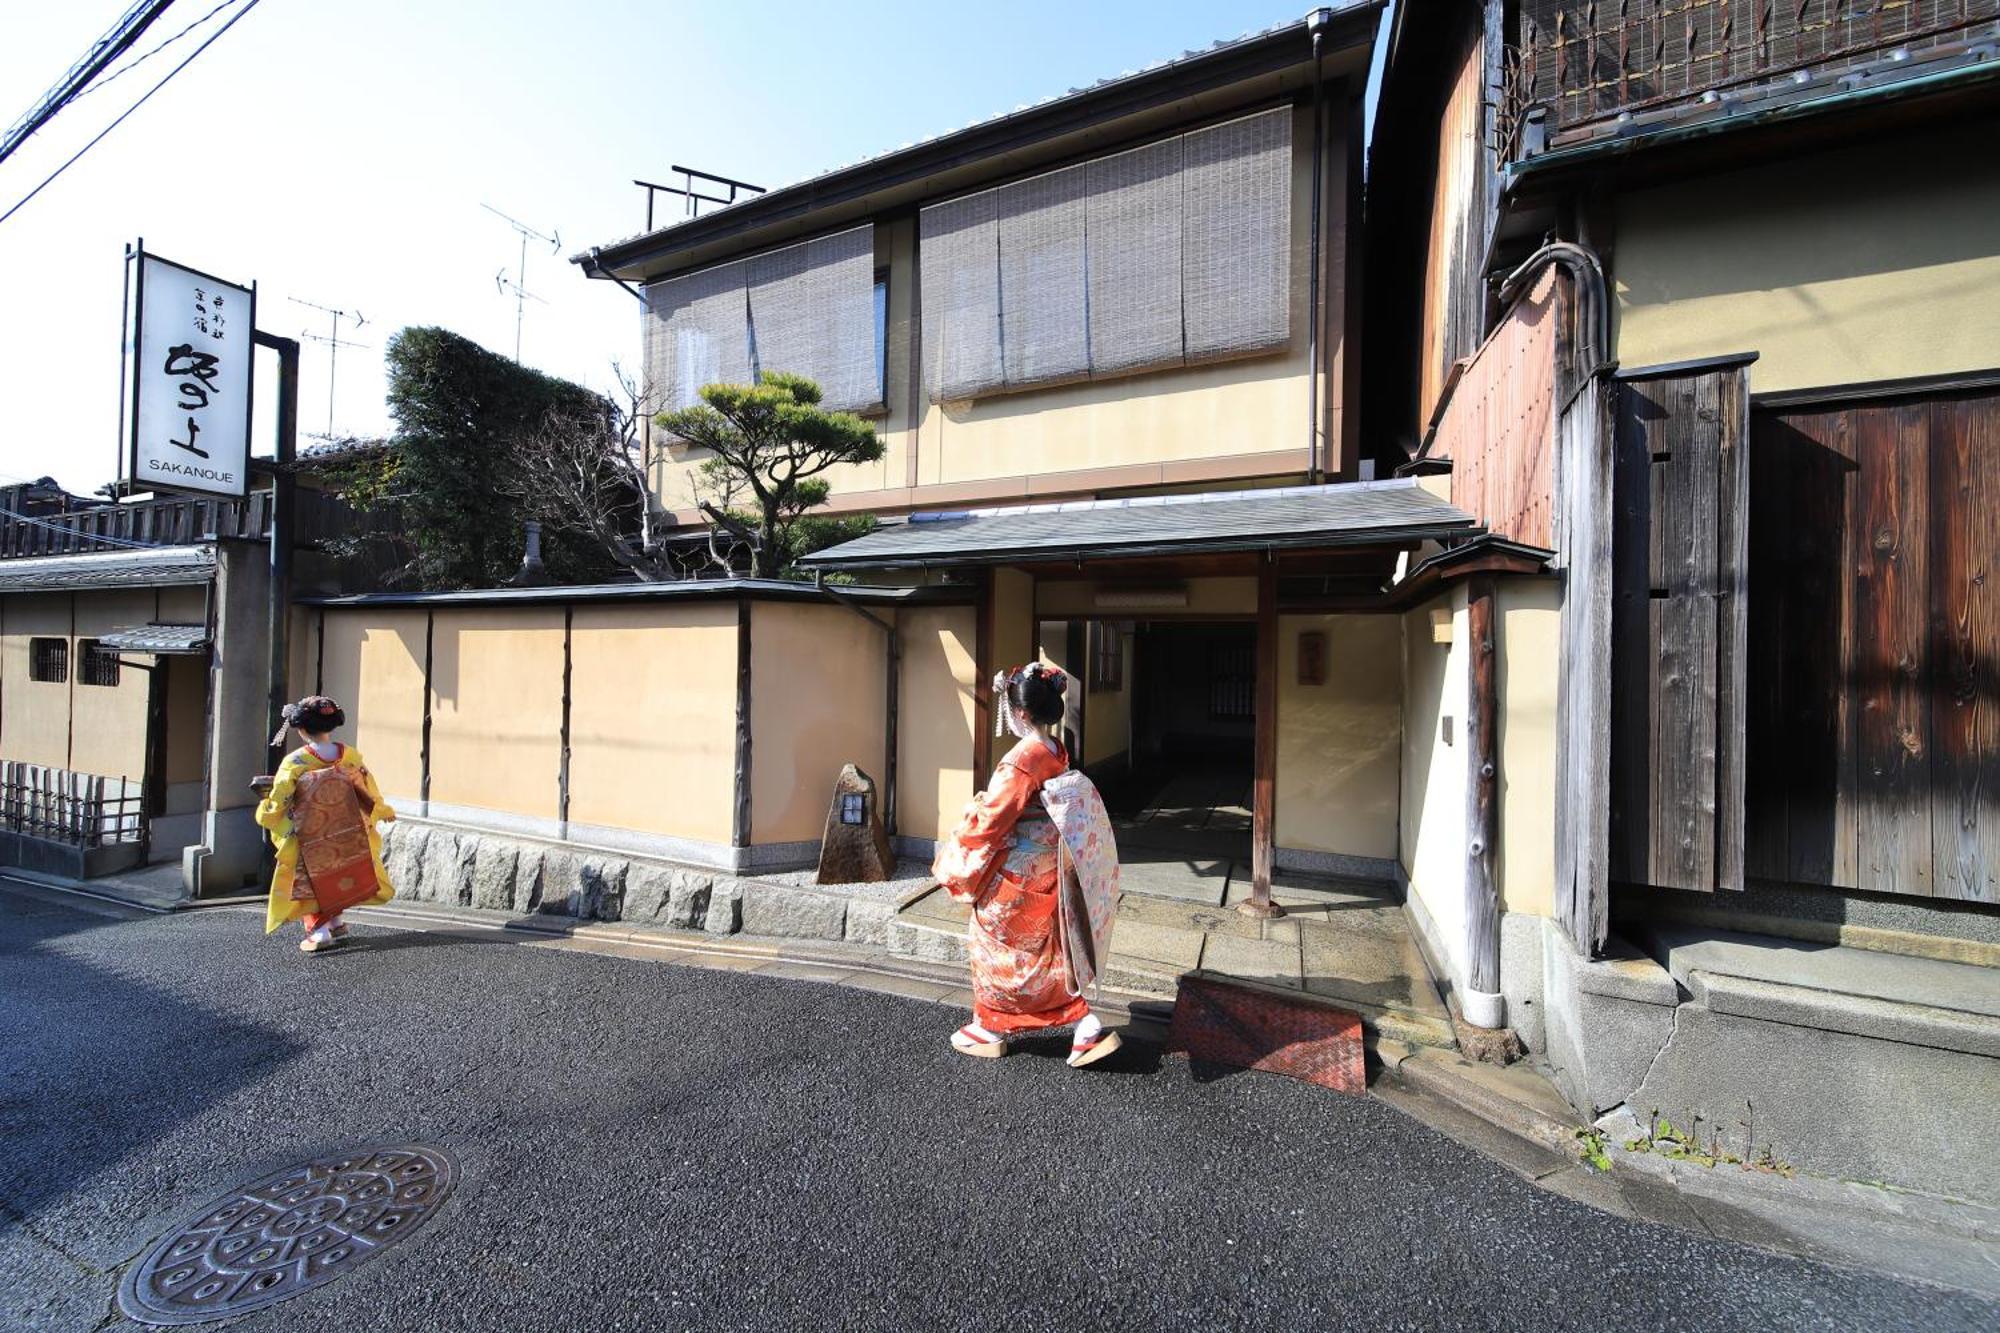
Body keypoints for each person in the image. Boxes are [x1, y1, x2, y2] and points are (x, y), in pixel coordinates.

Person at [932, 663, 1122, 1068]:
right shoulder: (1056, 750)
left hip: (1015, 871)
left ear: (1019, 713)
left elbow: (992, 820)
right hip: (1046, 867)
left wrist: (961, 837)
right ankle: (1081, 1026)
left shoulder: (1022, 759)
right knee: (1045, 952)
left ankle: (994, 1028)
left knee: (993, 945)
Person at [255, 696, 396, 953]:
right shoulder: (350, 755)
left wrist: (267, 812)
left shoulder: (296, 762)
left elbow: (281, 797)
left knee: (308, 881)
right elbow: (367, 788)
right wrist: (381, 809)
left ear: (301, 729)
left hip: (310, 833)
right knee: (339, 872)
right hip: (346, 829)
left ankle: (319, 933)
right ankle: (337, 922)